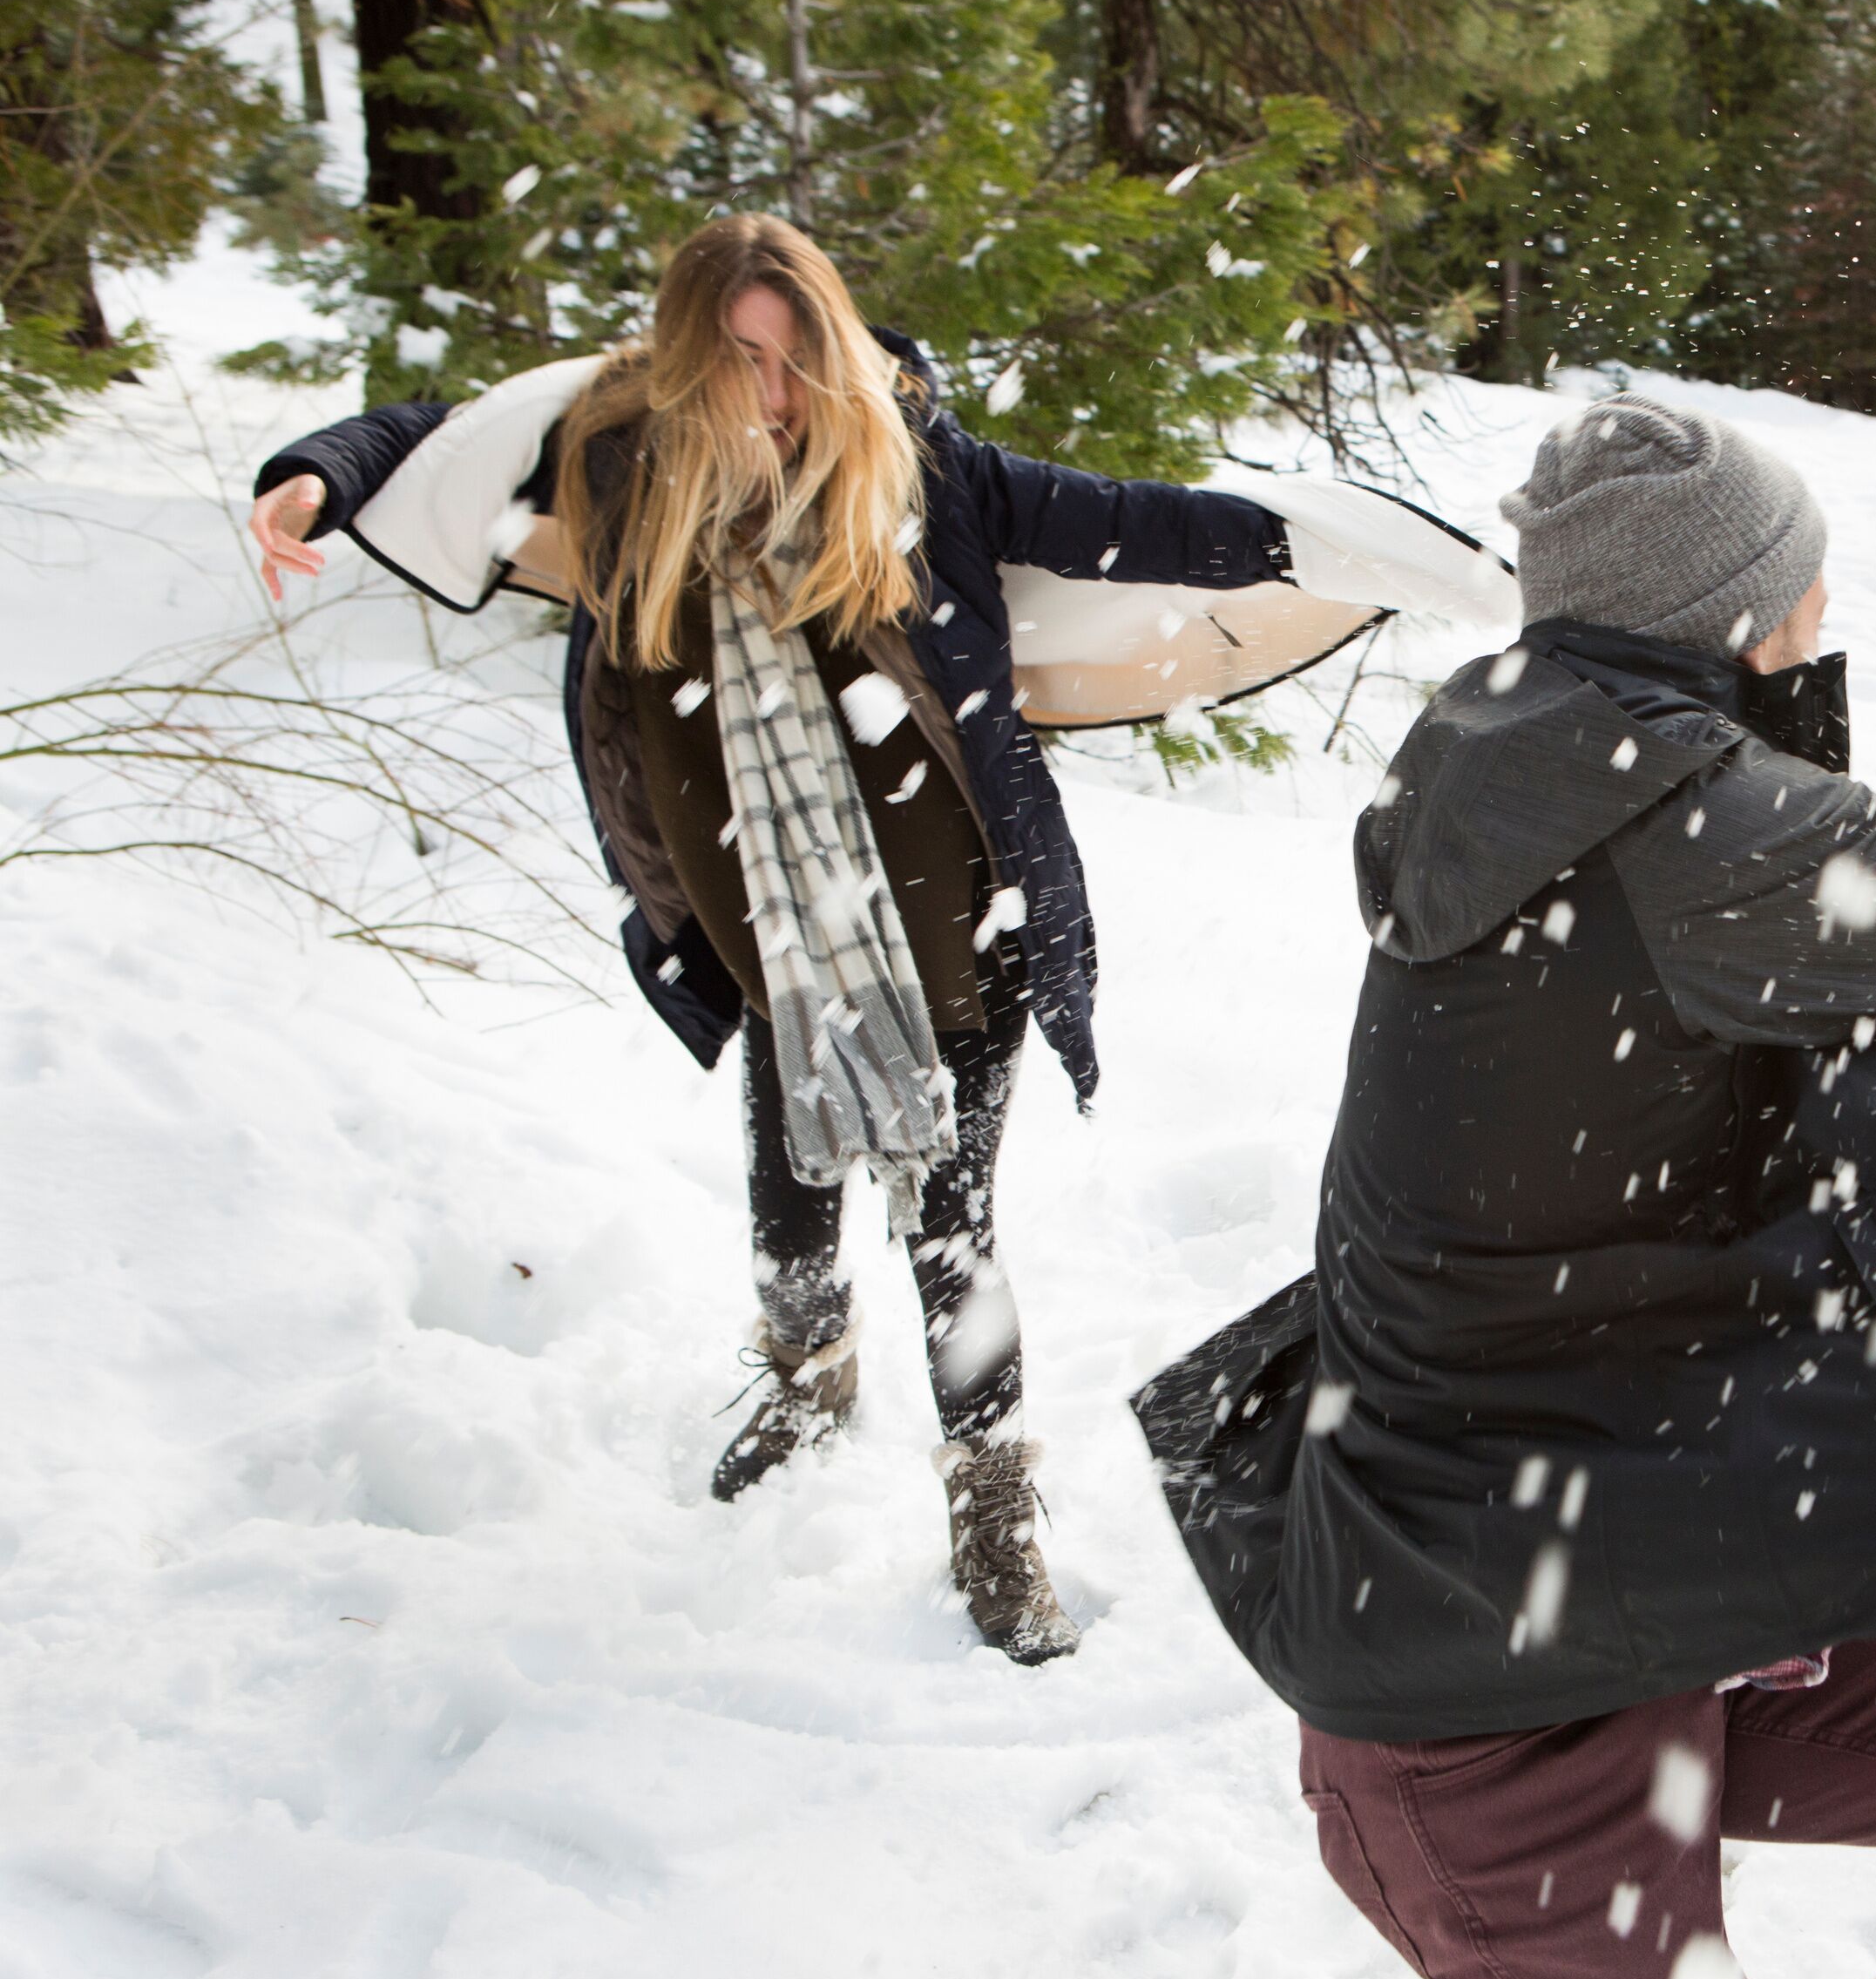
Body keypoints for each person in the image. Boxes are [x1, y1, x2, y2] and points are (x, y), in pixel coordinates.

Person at [1134, 396, 1876, 1979]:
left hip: (1688, 1568)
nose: (1824, 614)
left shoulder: (1538, 752)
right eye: (1802, 587)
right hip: (1488, 1705)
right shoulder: (1664, 823)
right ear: (1736, 612)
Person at [249, 213, 1294, 1661]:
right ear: (685, 358)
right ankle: (807, 1379)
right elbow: (440, 441)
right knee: (789, 1208)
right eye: (743, 360)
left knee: (952, 1234)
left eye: (800, 356)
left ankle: (992, 1510)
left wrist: (1321, 541)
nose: (778, 394)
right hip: (776, 945)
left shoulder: (918, 465)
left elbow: (1131, 520)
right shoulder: (617, 463)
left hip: (953, 932)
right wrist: (312, 476)